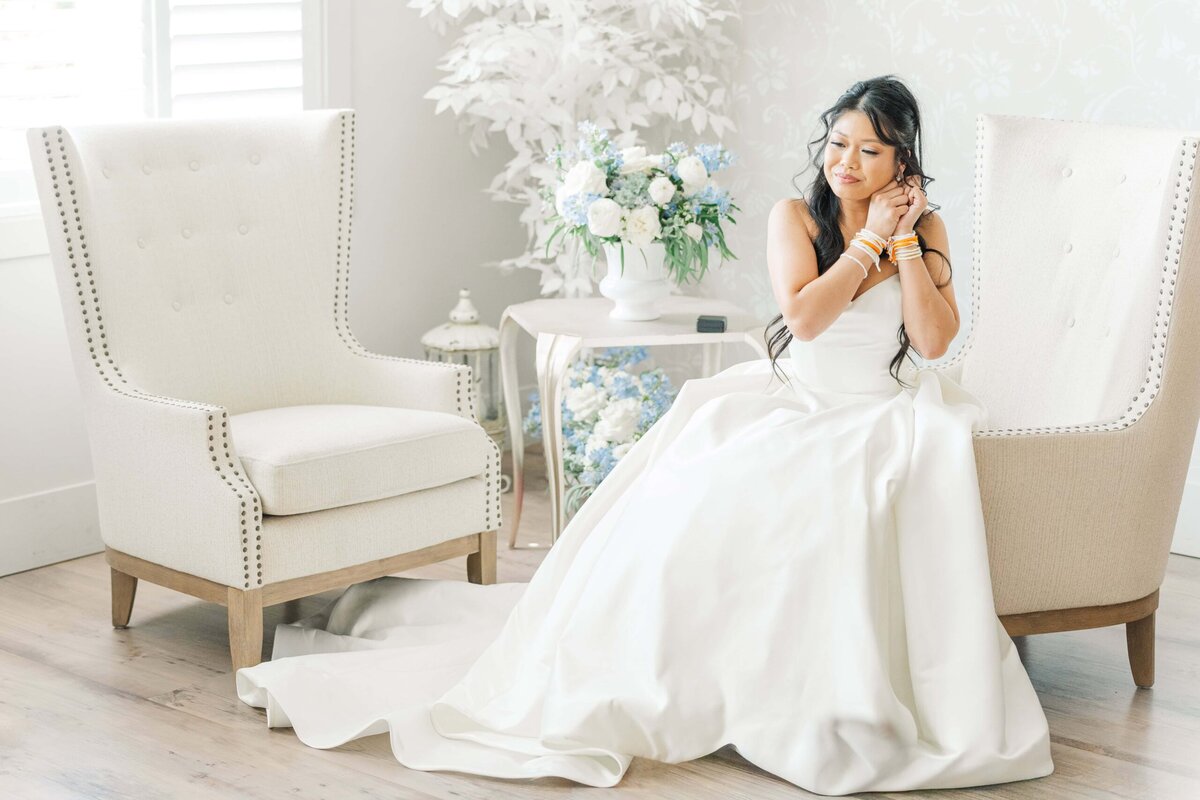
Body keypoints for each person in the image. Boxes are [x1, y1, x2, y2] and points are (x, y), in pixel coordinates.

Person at [235, 75, 1055, 795]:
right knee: (703, 500)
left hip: (883, 408)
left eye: (869, 151)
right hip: (798, 399)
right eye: (839, 142)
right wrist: (870, 237)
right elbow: (804, 318)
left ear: (902, 163)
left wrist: (906, 238)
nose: (846, 161)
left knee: (854, 501)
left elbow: (937, 339)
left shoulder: (929, 228)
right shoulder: (794, 219)